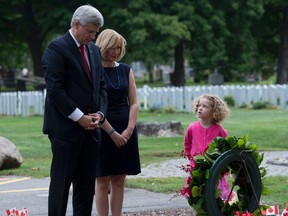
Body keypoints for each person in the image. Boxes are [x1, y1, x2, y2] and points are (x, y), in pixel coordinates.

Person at [42, 5, 107, 216]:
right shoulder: (56, 48)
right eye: (90, 31)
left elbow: (102, 87)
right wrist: (79, 117)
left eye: (95, 32)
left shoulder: (94, 51)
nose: (93, 36)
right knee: (61, 186)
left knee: (86, 188)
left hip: (91, 132)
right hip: (65, 130)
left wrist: (100, 114)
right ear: (76, 24)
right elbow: (55, 90)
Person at [94, 29, 141, 216]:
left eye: (119, 48)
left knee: (120, 179)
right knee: (102, 180)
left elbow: (134, 102)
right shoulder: (94, 69)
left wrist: (129, 129)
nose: (115, 51)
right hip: (102, 130)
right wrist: (112, 132)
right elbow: (93, 105)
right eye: (112, 47)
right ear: (103, 45)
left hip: (126, 129)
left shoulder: (125, 69)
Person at [183, 94, 230, 199]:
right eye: (199, 105)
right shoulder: (192, 128)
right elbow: (187, 145)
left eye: (205, 106)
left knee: (217, 197)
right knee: (196, 197)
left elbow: (227, 149)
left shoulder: (220, 130)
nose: (200, 108)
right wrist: (191, 160)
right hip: (196, 169)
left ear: (214, 111)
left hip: (215, 170)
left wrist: (224, 167)